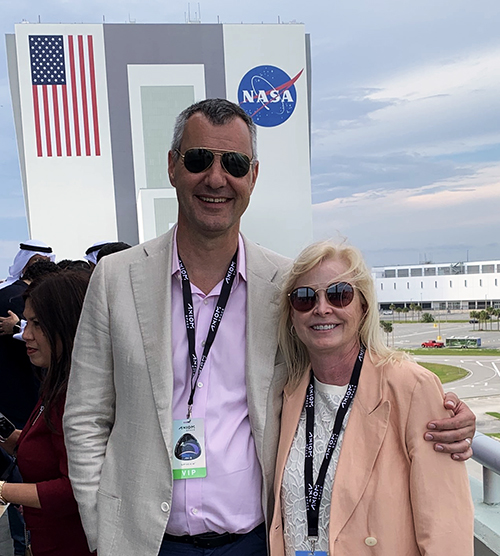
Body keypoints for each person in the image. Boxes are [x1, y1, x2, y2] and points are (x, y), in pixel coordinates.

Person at [63, 99, 475, 556]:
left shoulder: (286, 287)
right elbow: (85, 417)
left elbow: (344, 369)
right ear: (173, 167)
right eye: (200, 159)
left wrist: (444, 412)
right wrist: (102, 533)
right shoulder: (116, 279)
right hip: (143, 541)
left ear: (252, 177)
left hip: (255, 541)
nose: (216, 178)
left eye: (234, 164)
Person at [269, 241, 474, 555]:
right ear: (292, 318)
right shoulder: (289, 391)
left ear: (363, 306)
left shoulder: (411, 387)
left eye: (339, 294)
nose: (322, 308)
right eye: (305, 298)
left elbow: (447, 529)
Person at [0, 271, 93, 556]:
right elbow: (46, 451)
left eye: (37, 324)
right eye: (26, 322)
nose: (25, 333)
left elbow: (76, 491)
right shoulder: (56, 382)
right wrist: (8, 434)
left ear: (69, 325)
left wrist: (3, 490)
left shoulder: (78, 395)